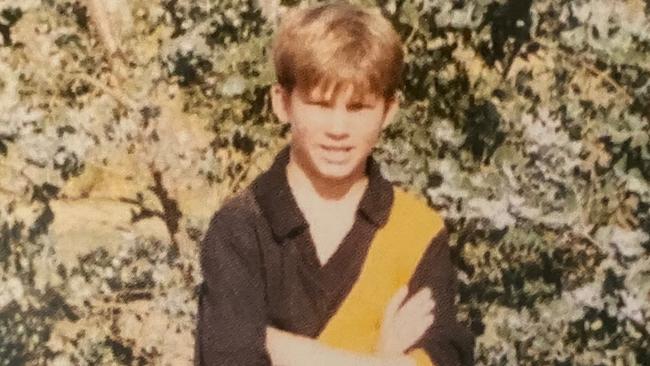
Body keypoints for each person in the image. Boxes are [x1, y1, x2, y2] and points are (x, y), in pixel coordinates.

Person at [194, 2, 475, 365]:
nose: (338, 130)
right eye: (320, 105)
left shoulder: (417, 231)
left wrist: (287, 350)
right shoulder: (240, 229)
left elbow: (446, 355)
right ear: (282, 103)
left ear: (389, 111)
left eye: (358, 107)